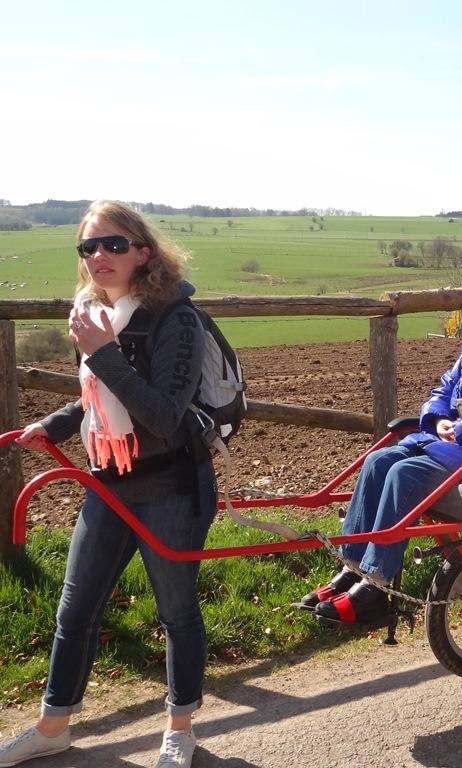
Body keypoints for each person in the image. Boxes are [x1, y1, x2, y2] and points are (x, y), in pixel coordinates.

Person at [0, 201, 217, 768]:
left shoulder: (176, 318)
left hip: (172, 486)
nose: (99, 255)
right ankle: (53, 726)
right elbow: (104, 397)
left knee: (176, 612)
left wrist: (102, 353)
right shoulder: (95, 313)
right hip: (109, 483)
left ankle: (180, 727)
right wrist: (55, 423)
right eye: (88, 247)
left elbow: (163, 414)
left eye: (113, 244)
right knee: (76, 609)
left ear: (144, 252)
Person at [295, 260, 462, 625]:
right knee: (378, 462)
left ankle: (376, 585)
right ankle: (352, 569)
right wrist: (437, 418)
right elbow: (446, 386)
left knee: (406, 473)